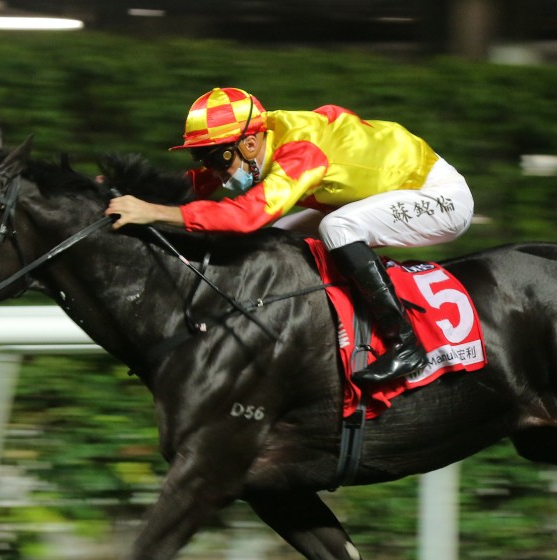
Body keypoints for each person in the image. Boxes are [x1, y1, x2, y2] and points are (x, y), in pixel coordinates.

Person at [106, 87, 475, 386]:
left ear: (249, 145)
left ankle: (405, 343)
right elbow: (194, 186)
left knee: (337, 227)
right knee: (277, 237)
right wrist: (126, 189)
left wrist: (154, 212)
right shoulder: (259, 139)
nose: (213, 172)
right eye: (203, 159)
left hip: (439, 199)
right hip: (382, 192)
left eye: (217, 159)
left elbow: (245, 217)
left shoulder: (300, 152)